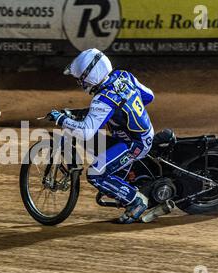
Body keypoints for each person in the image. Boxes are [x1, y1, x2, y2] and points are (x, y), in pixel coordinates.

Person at [49, 48, 155, 224]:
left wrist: (61, 119)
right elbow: (149, 97)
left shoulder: (103, 99)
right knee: (98, 147)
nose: (80, 83)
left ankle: (136, 201)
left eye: (80, 79)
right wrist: (124, 108)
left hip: (134, 143)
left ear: (90, 76)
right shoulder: (123, 76)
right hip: (140, 134)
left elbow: (85, 131)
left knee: (95, 173)